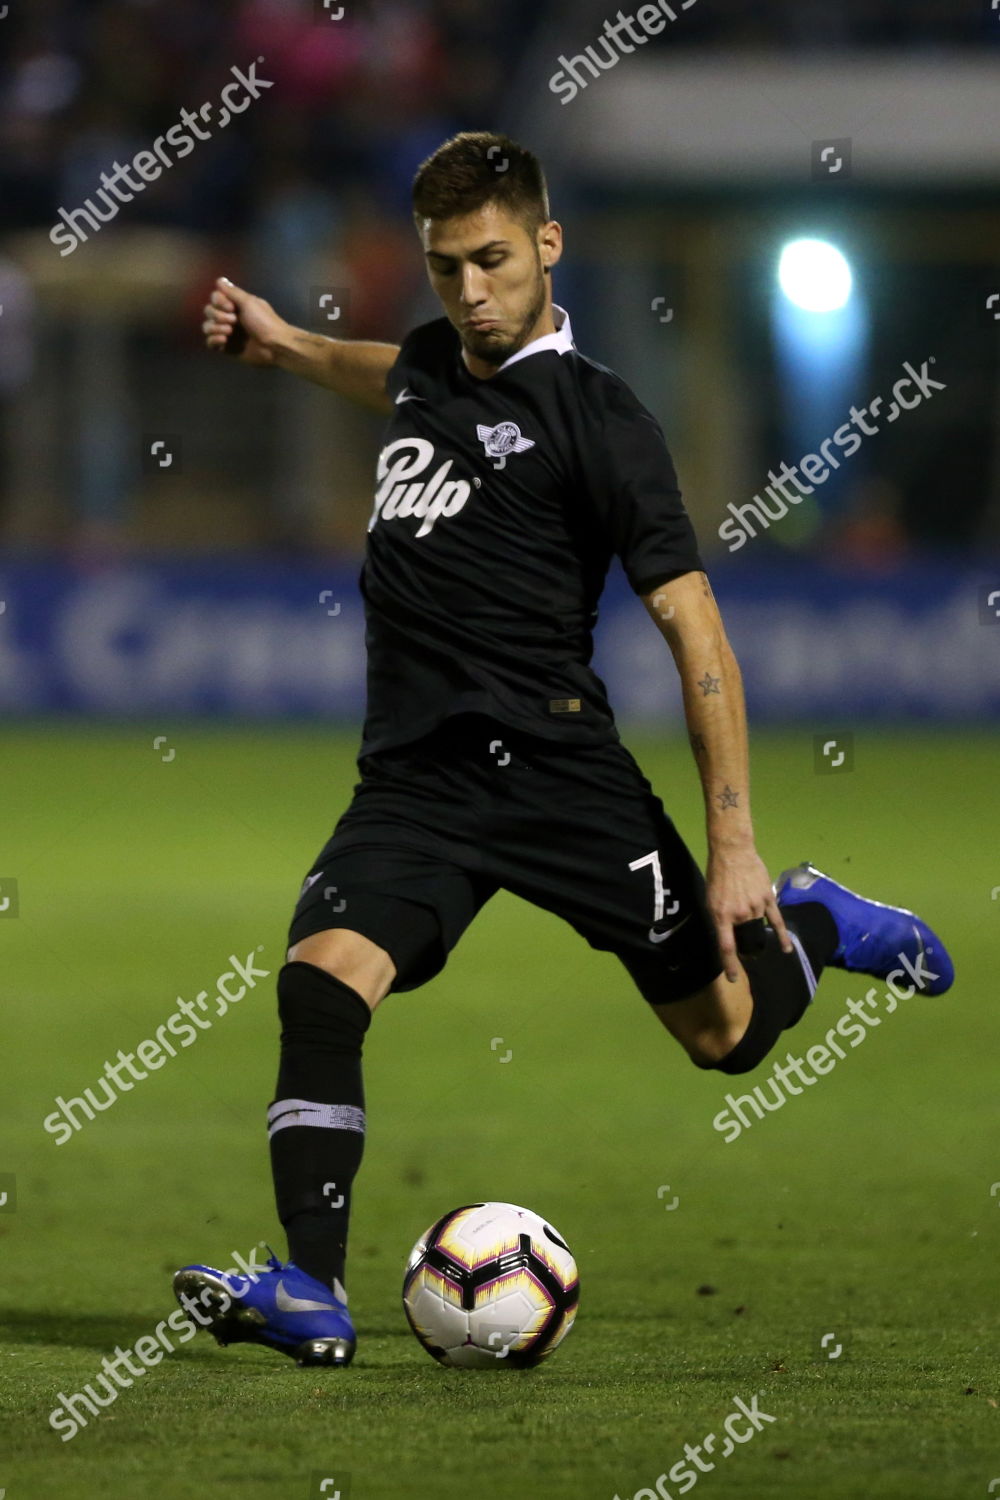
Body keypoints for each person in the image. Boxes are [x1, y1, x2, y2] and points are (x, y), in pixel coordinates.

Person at [173, 132, 953, 1368]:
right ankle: (312, 1290)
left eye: (490, 261)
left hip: (560, 776)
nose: (469, 292)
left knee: (725, 1040)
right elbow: (394, 374)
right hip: (416, 784)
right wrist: (284, 344)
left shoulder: (605, 422)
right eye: (443, 269)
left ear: (546, 245)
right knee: (320, 984)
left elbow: (698, 633)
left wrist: (735, 848)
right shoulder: (436, 359)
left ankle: (813, 925)